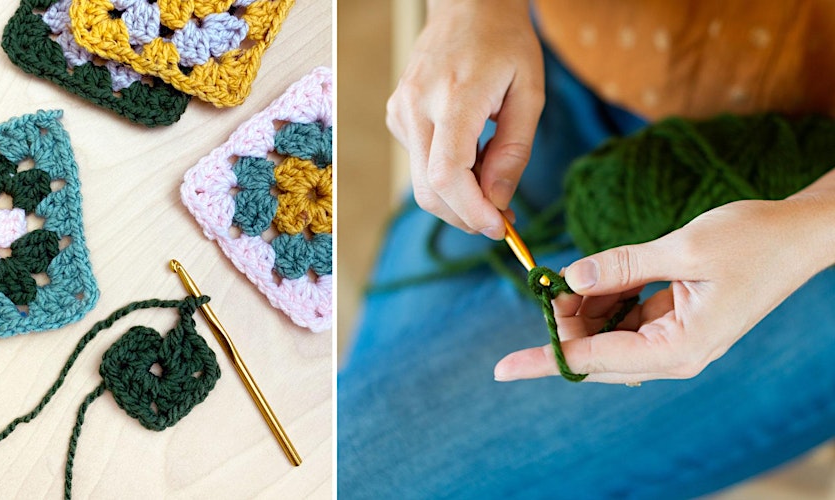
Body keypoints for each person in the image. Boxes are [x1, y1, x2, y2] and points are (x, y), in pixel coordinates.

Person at [338, 0, 835, 497]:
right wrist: (468, 13)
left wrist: (810, 228)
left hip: (810, 207)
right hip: (571, 60)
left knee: (364, 469)